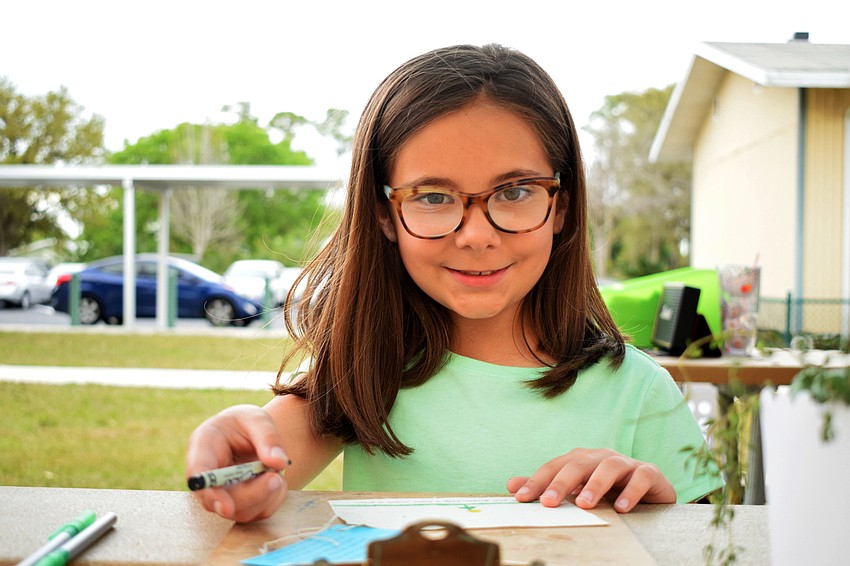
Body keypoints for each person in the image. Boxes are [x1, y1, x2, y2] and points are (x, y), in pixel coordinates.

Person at [186, 43, 722, 523]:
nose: (476, 235)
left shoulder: (641, 392)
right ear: (382, 214)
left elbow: (709, 543)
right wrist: (238, 457)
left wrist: (657, 507)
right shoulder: (363, 372)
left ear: (561, 205)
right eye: (434, 197)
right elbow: (260, 458)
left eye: (514, 191)